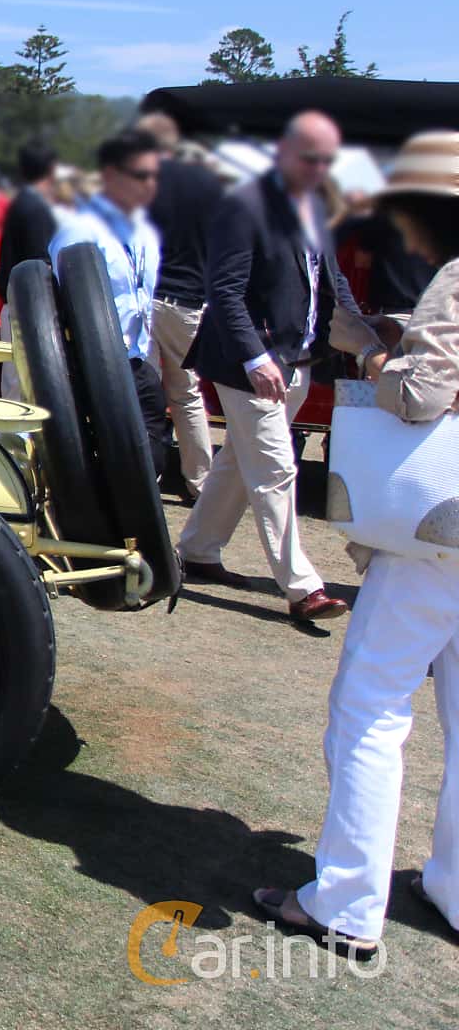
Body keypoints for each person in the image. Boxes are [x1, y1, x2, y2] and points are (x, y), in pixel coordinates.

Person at [254, 129, 459, 958]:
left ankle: (342, 902)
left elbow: (420, 395)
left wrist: (376, 353)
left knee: (369, 706)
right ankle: (450, 887)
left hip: (438, 541)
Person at [179, 111, 378, 624]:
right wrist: (254, 356)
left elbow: (335, 286)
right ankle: (303, 587)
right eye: (309, 157)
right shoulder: (243, 206)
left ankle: (198, 551)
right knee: (275, 469)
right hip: (248, 364)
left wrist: (366, 344)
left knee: (236, 466)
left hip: (297, 361)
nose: (319, 168)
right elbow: (224, 292)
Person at [50, 130, 169, 474]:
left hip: (136, 362)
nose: (151, 184)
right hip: (93, 368)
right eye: (141, 175)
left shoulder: (145, 232)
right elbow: (62, 303)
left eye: (155, 176)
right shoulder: (79, 231)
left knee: (152, 462)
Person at [136, 110, 223, 500]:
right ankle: (199, 481)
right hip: (189, 302)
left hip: (148, 298)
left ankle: (146, 474)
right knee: (187, 395)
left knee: (146, 393)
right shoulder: (211, 189)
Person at [0, 143, 61, 400]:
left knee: (17, 379)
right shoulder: (35, 208)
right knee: (24, 382)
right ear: (51, 170)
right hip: (28, 307)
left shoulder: (22, 203)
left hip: (16, 301)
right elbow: (40, 263)